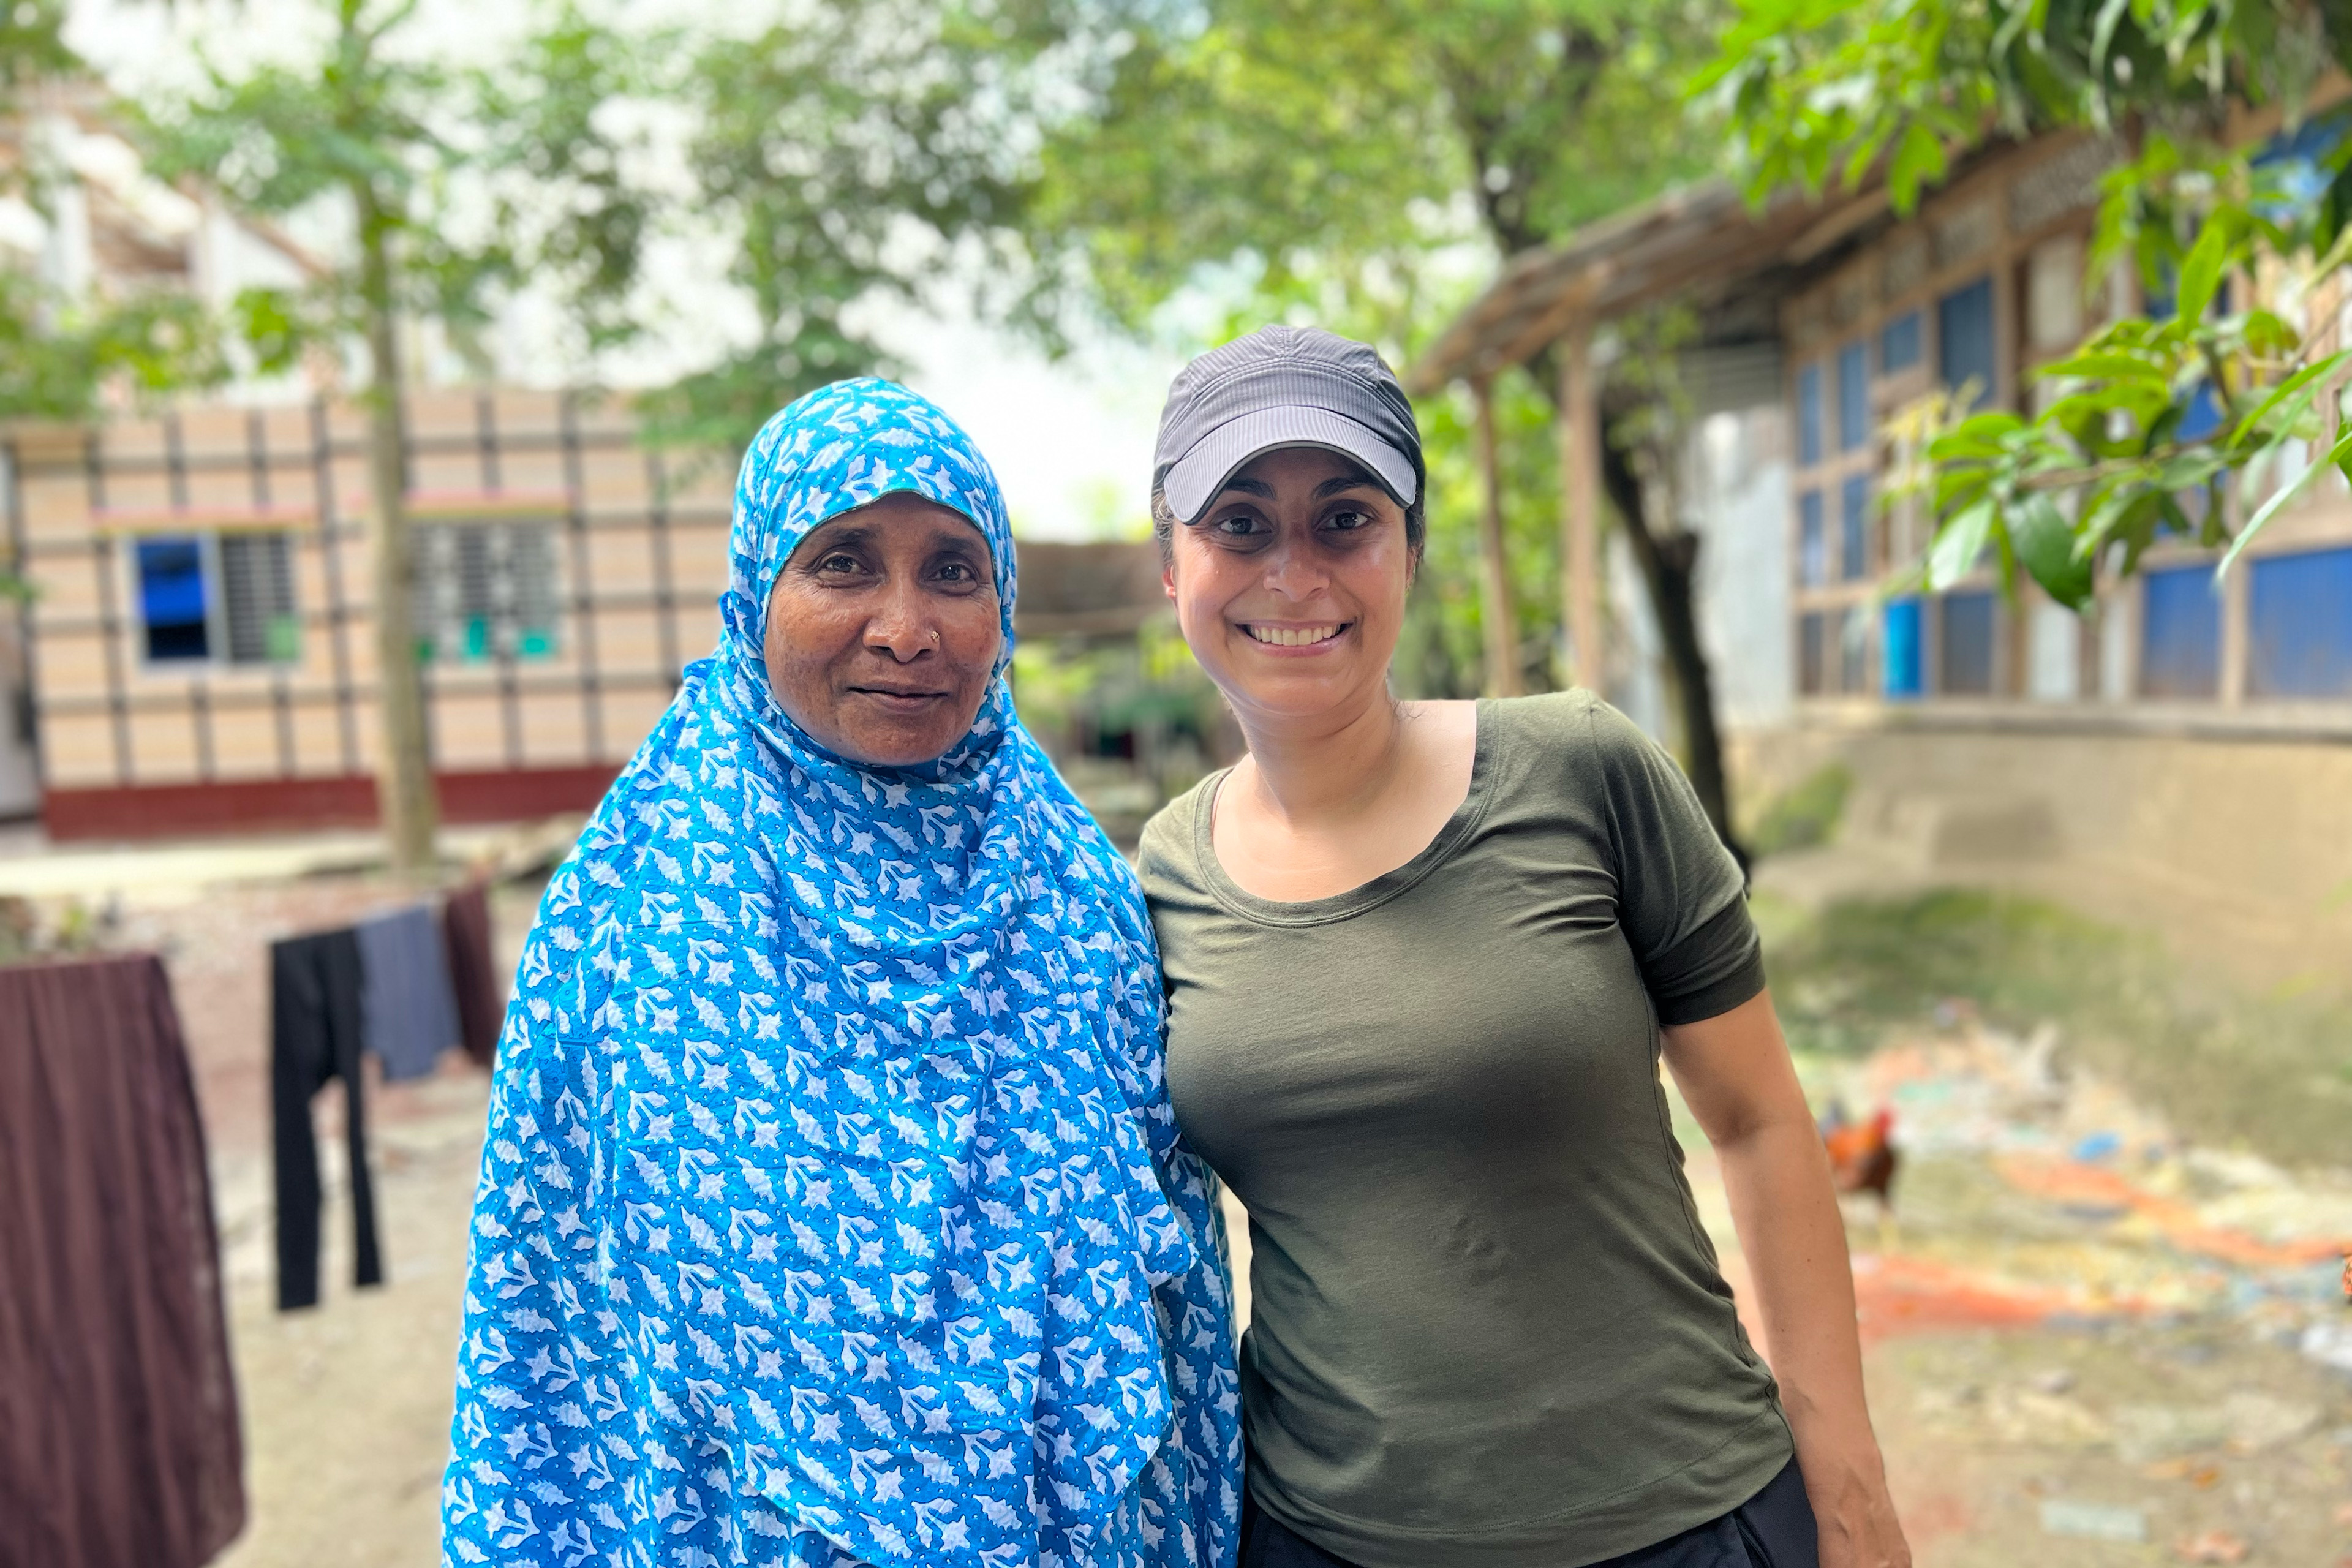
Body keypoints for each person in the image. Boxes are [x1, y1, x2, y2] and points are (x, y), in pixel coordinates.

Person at [1137, 326, 1911, 1568]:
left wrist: (1852, 1484)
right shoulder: (1159, 874)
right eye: (1237, 522)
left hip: (1681, 1522)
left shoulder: (1581, 768)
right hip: (1325, 1537)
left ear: (1409, 553)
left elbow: (1762, 1120)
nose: (1293, 571)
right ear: (1171, 568)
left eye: (1345, 518)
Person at [442, 380, 1242, 1568]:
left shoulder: (1075, 897)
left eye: (956, 570)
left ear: (1004, 605)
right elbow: (542, 1320)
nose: (908, 627)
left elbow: (1173, 1299)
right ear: (758, 586)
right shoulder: (636, 906)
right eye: (845, 562)